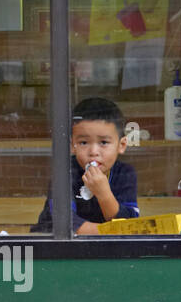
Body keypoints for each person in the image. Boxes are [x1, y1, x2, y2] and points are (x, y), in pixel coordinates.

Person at [33, 97, 140, 235]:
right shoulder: (65, 172)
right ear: (72, 145)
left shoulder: (125, 173)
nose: (93, 152)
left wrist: (104, 194)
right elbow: (64, 222)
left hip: (106, 243)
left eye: (103, 142)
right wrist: (108, 233)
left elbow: (129, 223)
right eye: (83, 142)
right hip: (57, 243)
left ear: (122, 145)